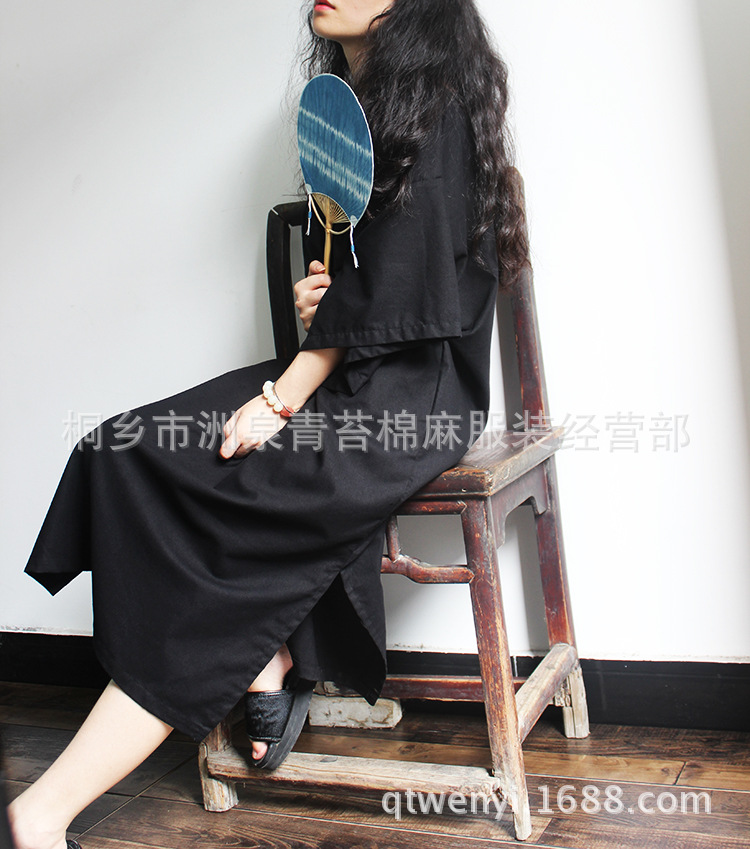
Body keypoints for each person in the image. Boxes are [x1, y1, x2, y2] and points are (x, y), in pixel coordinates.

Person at [8, 1, 528, 847]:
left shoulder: (438, 110)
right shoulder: (362, 112)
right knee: (122, 446)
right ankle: (261, 656)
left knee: (223, 532)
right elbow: (366, 287)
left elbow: (412, 299)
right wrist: (321, 304)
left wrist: (282, 396)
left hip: (409, 399)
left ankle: (45, 809)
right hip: (347, 369)